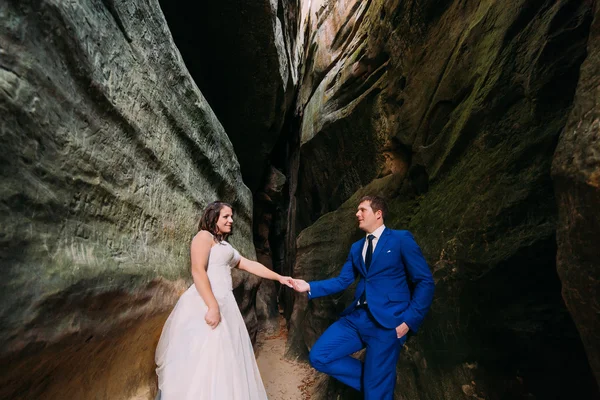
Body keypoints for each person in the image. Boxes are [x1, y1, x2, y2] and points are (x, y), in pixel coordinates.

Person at [292, 195, 435, 400]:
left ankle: (377, 387)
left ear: (378, 214)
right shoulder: (356, 248)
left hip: (387, 324)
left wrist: (409, 321)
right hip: (357, 319)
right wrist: (308, 286)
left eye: (362, 210)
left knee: (375, 393)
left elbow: (425, 282)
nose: (357, 214)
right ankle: (377, 383)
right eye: (357, 210)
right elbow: (343, 281)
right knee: (319, 356)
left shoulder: (401, 239)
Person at [155, 201, 294, 399]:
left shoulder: (225, 245)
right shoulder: (203, 237)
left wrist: (279, 277)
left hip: (226, 304)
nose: (231, 221)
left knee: (226, 359)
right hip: (206, 303)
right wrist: (212, 306)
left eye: (231, 217)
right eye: (226, 217)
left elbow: (249, 264)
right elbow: (198, 271)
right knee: (207, 359)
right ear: (213, 217)